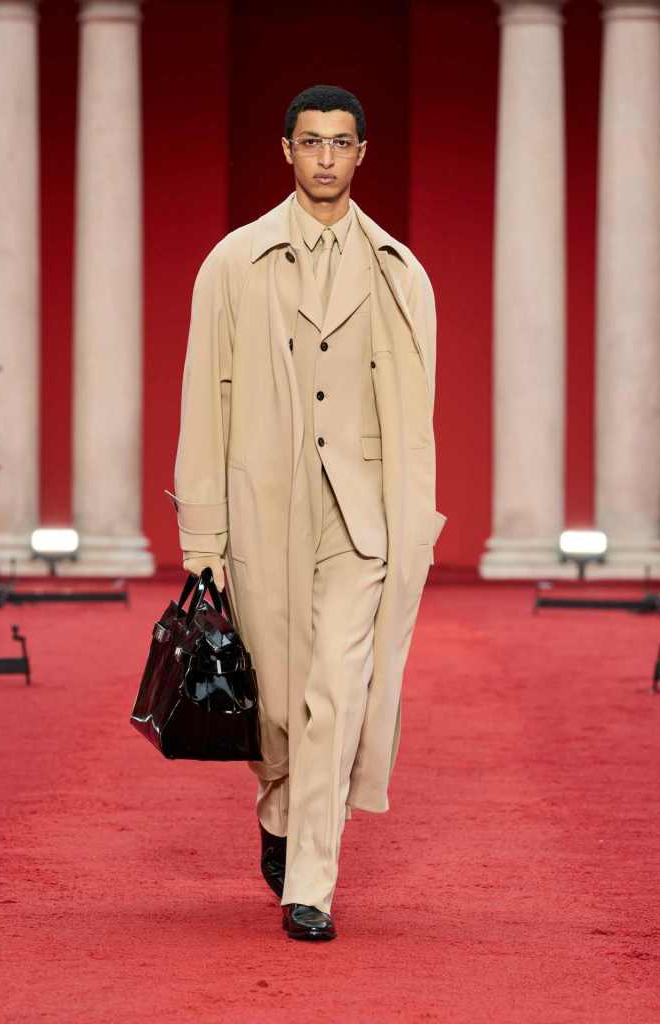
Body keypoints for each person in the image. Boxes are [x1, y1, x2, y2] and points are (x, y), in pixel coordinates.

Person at [168, 84, 447, 941]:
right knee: (280, 704)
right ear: (286, 151)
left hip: (362, 519)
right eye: (312, 142)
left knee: (336, 691)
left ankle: (311, 884)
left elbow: (417, 414)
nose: (326, 157)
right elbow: (204, 401)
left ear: (362, 153)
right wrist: (202, 537)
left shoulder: (399, 272)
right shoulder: (233, 263)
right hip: (265, 506)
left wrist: (413, 519)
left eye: (341, 142)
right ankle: (279, 809)